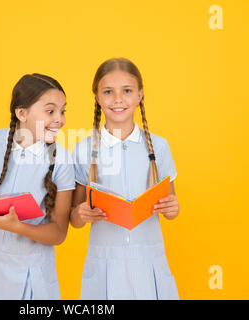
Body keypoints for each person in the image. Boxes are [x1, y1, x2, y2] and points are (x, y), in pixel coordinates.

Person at [70, 58, 180, 299]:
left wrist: (173, 208)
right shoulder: (82, 150)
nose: (118, 99)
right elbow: (74, 218)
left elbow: (171, 209)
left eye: (127, 91)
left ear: (140, 95)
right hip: (104, 264)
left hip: (148, 262)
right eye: (108, 92)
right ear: (97, 97)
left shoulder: (159, 147)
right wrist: (80, 214)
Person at [0, 73, 74, 299]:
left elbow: (59, 233)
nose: (60, 119)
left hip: (34, 274)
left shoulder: (63, 160)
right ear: (21, 113)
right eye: (50, 111)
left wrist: (17, 227)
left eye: (62, 111)